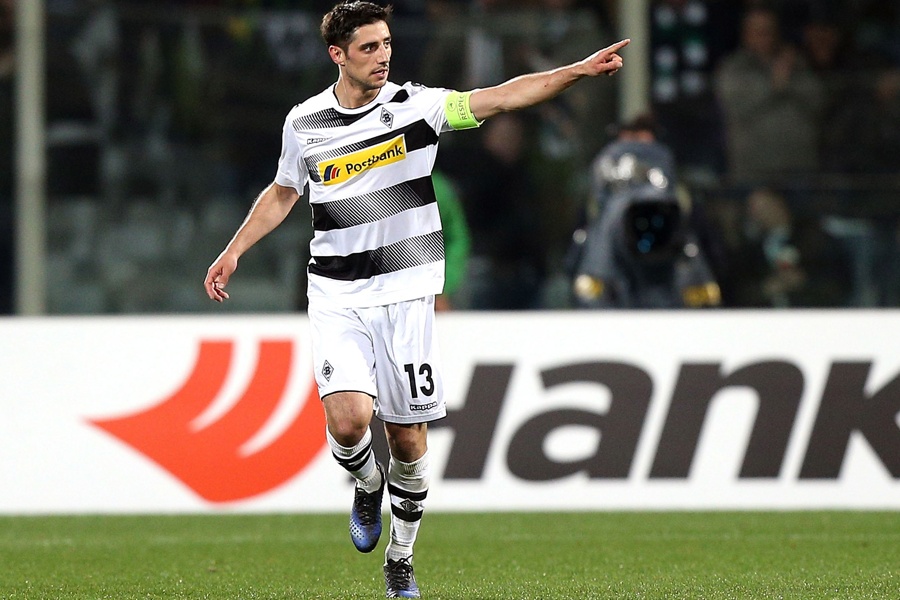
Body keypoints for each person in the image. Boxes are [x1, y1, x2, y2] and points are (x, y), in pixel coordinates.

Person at [203, 2, 628, 597]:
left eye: (387, 45)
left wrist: (575, 72)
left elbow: (502, 97)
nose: (384, 57)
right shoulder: (304, 123)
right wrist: (233, 251)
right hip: (337, 292)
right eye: (370, 47)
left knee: (408, 438)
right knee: (349, 423)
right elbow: (282, 192)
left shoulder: (418, 107)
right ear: (338, 55)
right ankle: (365, 483)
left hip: (406, 292)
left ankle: (400, 559)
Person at [714, 6, 824, 185]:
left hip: (801, 170)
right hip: (755, 173)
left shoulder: (795, 63)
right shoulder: (733, 68)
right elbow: (735, 104)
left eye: (769, 31)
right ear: (746, 34)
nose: (765, 37)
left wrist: (790, 74)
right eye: (759, 32)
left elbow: (818, 101)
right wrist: (774, 83)